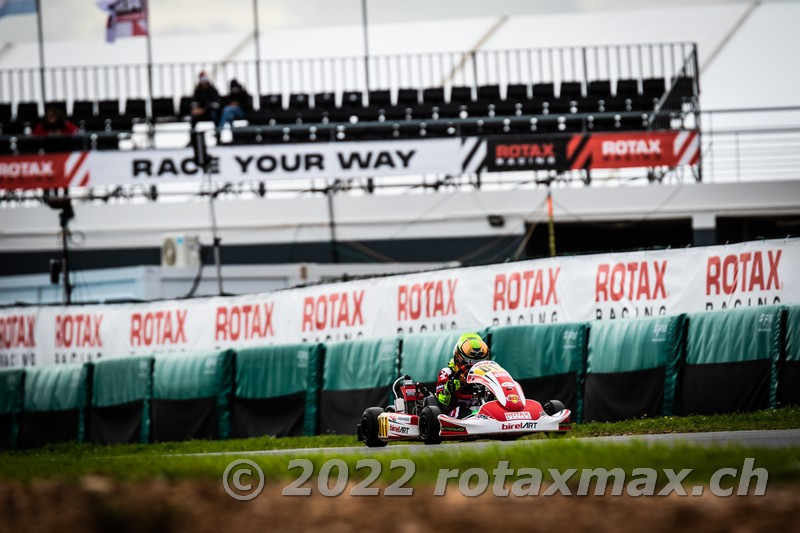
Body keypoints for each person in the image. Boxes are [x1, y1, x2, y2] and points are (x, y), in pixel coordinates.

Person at [435, 332, 490, 418]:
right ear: (459, 359)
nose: (474, 367)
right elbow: (442, 404)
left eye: (479, 362)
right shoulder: (447, 373)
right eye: (470, 362)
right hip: (457, 410)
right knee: (460, 412)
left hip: (484, 408)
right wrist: (448, 390)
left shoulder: (488, 373)